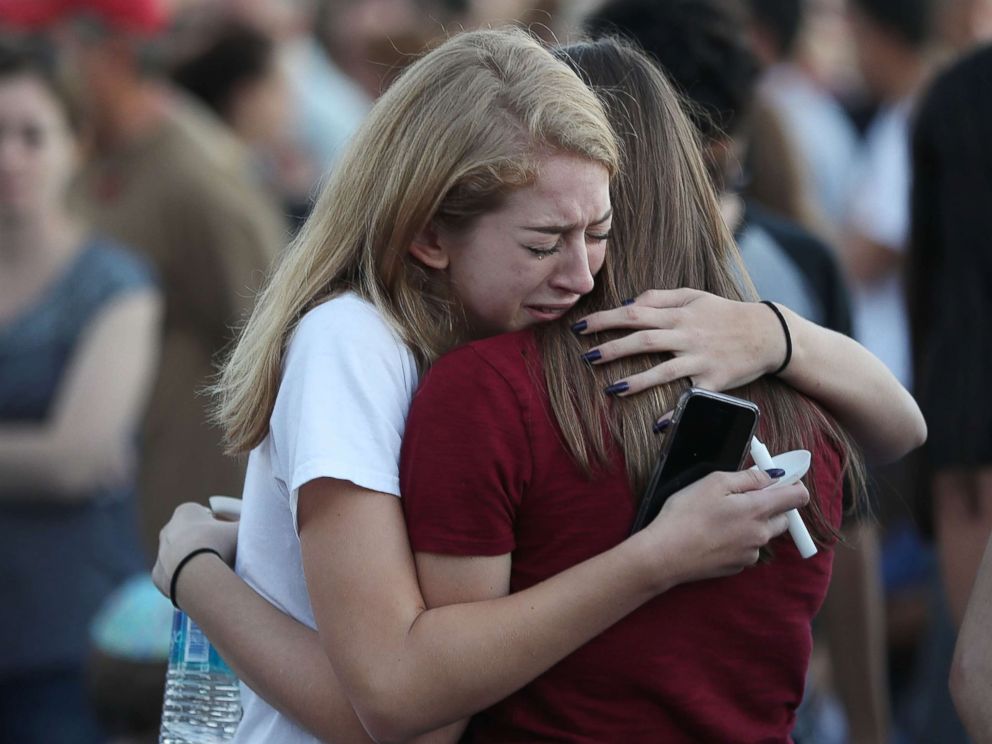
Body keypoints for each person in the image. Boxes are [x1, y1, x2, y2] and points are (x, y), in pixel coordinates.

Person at [154, 27, 924, 743]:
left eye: (599, 232)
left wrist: (775, 332)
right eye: (543, 241)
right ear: (427, 236)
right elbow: (400, 705)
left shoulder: (490, 348)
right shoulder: (356, 344)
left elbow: (903, 429)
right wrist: (198, 574)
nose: (584, 273)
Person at [57, 0, 286, 551]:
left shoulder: (195, 176)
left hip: (179, 509)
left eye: (53, 47)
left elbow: (269, 332)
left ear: (109, 55)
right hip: (117, 500)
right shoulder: (92, 149)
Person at [0, 40, 161, 743]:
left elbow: (77, 457)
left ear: (75, 143)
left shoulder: (115, 285)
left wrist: (59, 457)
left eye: (32, 135)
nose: (9, 157)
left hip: (64, 635)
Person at [907, 43, 992, 742]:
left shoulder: (954, 93)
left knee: (978, 670)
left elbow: (924, 278)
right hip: (966, 407)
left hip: (966, 402)